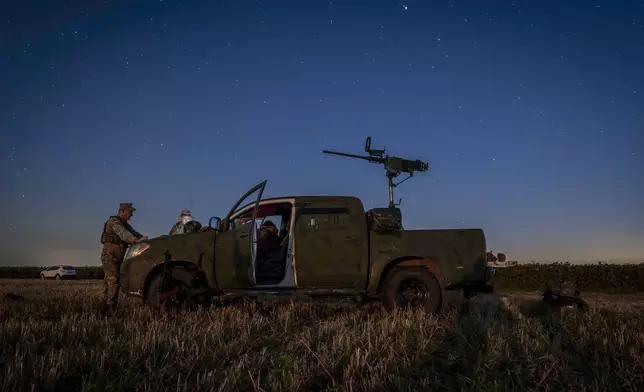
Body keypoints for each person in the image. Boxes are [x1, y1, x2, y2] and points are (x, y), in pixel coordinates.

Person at [100, 202, 147, 315]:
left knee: (109, 281)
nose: (131, 215)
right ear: (122, 211)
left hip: (117, 257)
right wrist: (135, 240)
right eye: (130, 212)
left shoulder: (124, 223)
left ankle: (103, 306)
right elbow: (124, 234)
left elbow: (135, 233)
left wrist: (143, 239)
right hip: (109, 256)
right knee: (114, 280)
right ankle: (111, 307)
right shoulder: (114, 222)